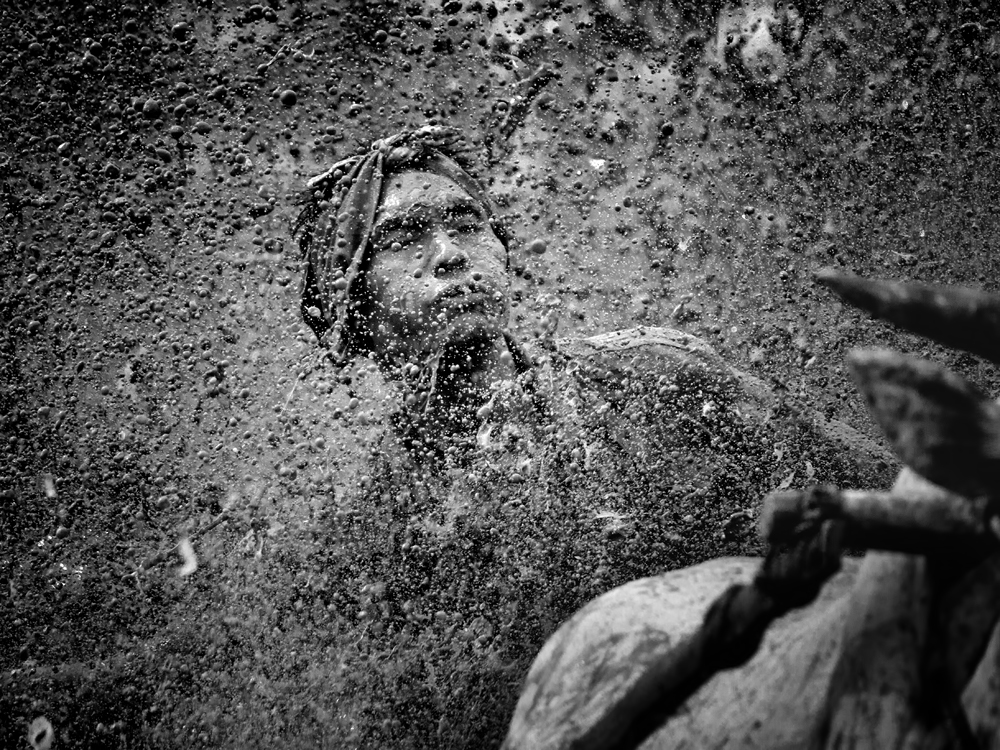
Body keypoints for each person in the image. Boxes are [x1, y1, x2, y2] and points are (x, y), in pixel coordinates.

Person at [292, 125, 896, 748]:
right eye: (400, 240)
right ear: (350, 307)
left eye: (467, 223)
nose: (449, 254)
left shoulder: (660, 375)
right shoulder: (381, 538)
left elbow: (887, 491)